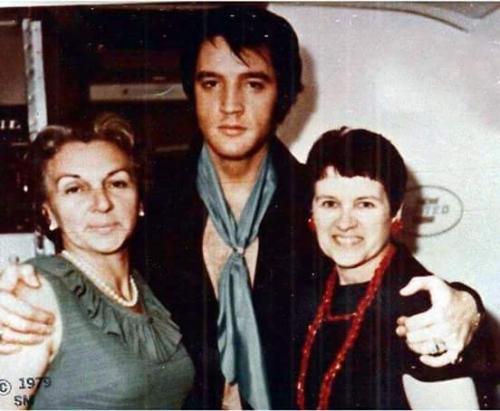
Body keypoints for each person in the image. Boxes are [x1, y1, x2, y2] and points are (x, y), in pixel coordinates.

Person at [0, 6, 483, 410]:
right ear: (192, 91)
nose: (230, 105)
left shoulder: (318, 201)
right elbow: (77, 280)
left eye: (253, 84)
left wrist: (467, 307)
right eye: (211, 83)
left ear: (284, 96)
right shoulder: (144, 200)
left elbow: (400, 280)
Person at [0, 115, 194, 409]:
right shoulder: (36, 293)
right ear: (48, 212)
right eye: (74, 189)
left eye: (117, 183)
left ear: (140, 201)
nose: (102, 203)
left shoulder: (145, 289)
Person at [296, 127, 485, 409]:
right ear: (312, 210)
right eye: (330, 203)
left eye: (365, 204)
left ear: (395, 212)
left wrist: (470, 304)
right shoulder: (307, 285)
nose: (345, 222)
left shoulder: (424, 311)